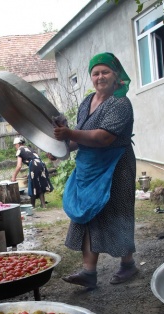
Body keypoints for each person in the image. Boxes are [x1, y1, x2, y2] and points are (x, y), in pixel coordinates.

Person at [51, 52, 138, 288]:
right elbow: (81, 138)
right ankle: (89, 273)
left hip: (116, 166)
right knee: (88, 214)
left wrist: (69, 134)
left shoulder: (120, 103)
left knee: (118, 213)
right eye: (95, 73)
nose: (100, 77)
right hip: (89, 168)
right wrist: (61, 148)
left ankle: (128, 264)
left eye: (105, 72)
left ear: (116, 75)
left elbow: (102, 138)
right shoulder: (87, 102)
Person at [11, 136, 53, 208]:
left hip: (34, 165)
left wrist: (14, 176)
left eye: (15, 145)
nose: (15, 147)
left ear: (18, 144)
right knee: (39, 184)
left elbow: (19, 166)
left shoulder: (20, 150)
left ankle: (32, 206)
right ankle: (43, 205)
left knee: (33, 185)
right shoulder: (29, 148)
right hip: (41, 164)